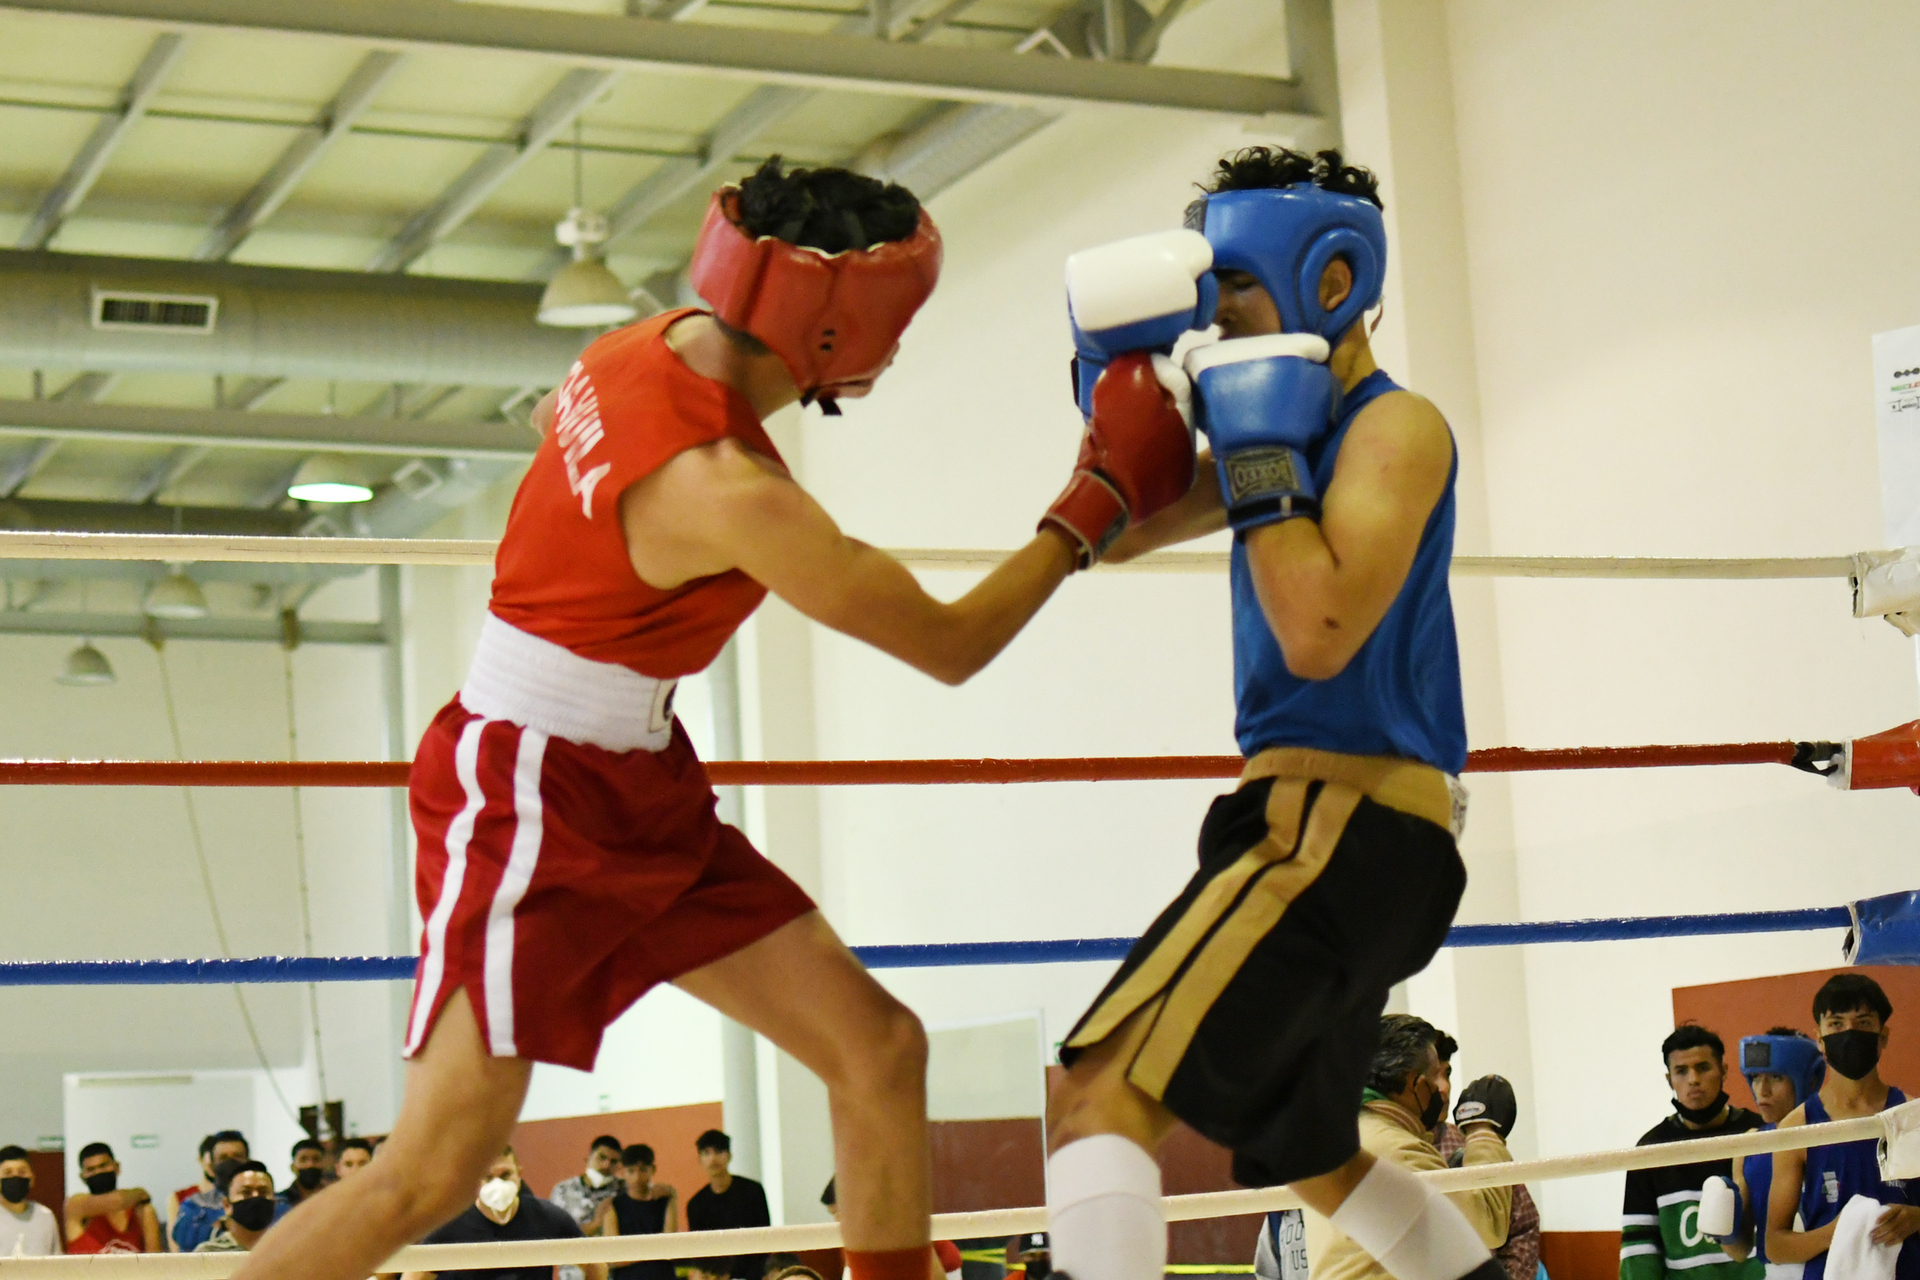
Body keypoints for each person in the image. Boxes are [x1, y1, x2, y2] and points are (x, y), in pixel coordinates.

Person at [228, 157, 1192, 1280]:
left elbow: (560, 415)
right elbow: (950, 644)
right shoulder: (727, 487)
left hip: (638, 782)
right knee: (430, 1169)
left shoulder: (647, 341)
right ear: (833, 330)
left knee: (879, 1050)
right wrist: (1093, 504)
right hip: (530, 793)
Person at [1044, 144, 1492, 1280]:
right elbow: (1111, 532)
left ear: (1328, 281)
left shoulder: (1393, 428)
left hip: (1340, 823)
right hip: (1334, 830)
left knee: (1097, 1088)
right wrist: (1116, 402)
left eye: (1233, 283)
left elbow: (1318, 630)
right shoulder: (1273, 436)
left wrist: (1254, 452)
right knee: (1307, 1144)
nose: (1213, 311)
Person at [1302, 1016, 1517, 1280]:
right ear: (1414, 1084)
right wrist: (1484, 1133)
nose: (1444, 1088)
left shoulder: (1347, 1137)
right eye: (1436, 1074)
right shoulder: (1395, 1147)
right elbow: (1483, 1226)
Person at [1767, 975, 1920, 1280]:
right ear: (1820, 1039)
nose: (1849, 1033)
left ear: (1883, 1036)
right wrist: (1840, 1232)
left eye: (1863, 1022)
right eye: (1836, 1024)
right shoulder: (1797, 1126)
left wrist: (1918, 1218)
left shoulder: (1913, 1116)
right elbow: (1775, 1245)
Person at [1619, 1026, 1764, 1280]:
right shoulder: (1650, 1151)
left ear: (1724, 1071)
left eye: (1703, 1067)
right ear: (1669, 1080)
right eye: (1681, 1071)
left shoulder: (1760, 1134)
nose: (1693, 1079)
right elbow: (1639, 1251)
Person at [1707, 1029, 1823, 1280]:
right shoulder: (1751, 1144)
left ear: (1810, 1079)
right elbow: (1740, 1250)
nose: (1763, 1090)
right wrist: (1723, 1228)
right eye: (1756, 1078)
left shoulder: (1839, 1135)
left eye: (1776, 1077)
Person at [1431, 1032, 1541, 1280]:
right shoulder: (1384, 1147)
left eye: (1446, 1073)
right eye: (1431, 1075)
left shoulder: (1474, 1142)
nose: (1444, 1087)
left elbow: (1524, 1224)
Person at [402, 1148, 608, 1280]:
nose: (497, 1184)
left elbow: (595, 1265)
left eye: (505, 1174)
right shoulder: (452, 1224)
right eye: (488, 1177)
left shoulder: (547, 1217)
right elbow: (414, 1276)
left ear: (520, 1173)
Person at [686, 1131, 770, 1280]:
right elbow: (699, 1250)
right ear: (699, 1160)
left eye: (719, 1152)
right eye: (706, 1153)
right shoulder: (696, 1204)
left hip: (754, 1272)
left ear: (729, 1156)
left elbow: (764, 1238)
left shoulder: (753, 1191)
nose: (713, 1159)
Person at [589, 1143, 676, 1280]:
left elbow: (670, 1247)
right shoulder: (613, 1206)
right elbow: (612, 1259)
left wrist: (632, 1254)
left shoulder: (665, 1200)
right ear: (622, 1172)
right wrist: (653, 1251)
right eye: (631, 1171)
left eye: (643, 1170)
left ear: (652, 1170)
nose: (637, 1177)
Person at [65, 1141, 160, 1254]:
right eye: (91, 1169)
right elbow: (117, 1202)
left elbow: (155, 1262)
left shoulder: (142, 1212)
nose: (98, 1172)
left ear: (117, 1167)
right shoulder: (75, 1206)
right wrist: (139, 1192)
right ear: (82, 1177)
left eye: (103, 1166)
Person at [173, 1130, 251, 1252]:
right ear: (211, 1166)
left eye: (237, 1156)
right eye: (223, 1158)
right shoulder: (194, 1204)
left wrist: (223, 1226)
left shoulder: (266, 1200)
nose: (230, 1162)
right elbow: (185, 1234)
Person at [194, 1162, 281, 1254]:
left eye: (263, 1192)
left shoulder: (288, 1251)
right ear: (227, 1205)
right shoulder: (207, 1253)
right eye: (246, 1192)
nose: (255, 1196)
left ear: (274, 1203)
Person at [0, 1144, 60, 1257]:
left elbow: (56, 1261)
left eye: (22, 1172)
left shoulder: (45, 1216)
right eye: (8, 1172)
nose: (15, 1177)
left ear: (32, 1178)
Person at [283, 1138, 331, 1209]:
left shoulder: (334, 1197)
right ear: (293, 1167)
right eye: (303, 1159)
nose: (310, 1165)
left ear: (324, 1165)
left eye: (316, 1159)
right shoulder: (281, 1201)